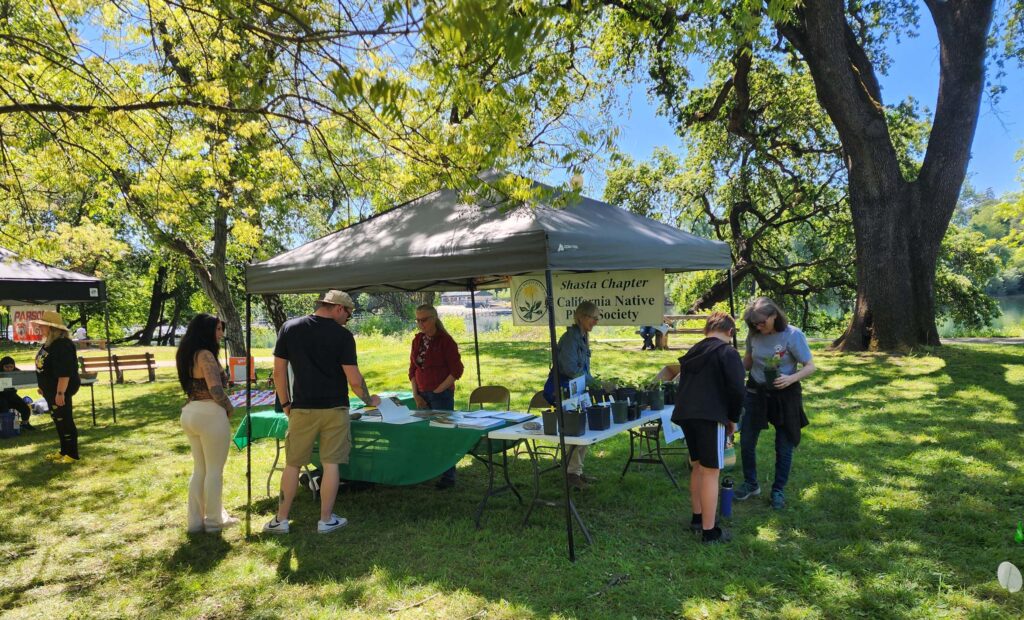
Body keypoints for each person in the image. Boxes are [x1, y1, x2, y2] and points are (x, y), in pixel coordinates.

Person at [264, 290, 380, 535]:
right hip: (335, 409)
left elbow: (278, 372)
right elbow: (354, 379)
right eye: (348, 313)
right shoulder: (343, 336)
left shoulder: (289, 328)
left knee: (293, 464)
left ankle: (281, 519)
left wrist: (285, 404)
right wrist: (370, 400)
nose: (348, 319)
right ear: (338, 308)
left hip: (301, 408)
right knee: (331, 464)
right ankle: (326, 520)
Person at [671, 312, 745, 544]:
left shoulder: (694, 351)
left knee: (697, 467)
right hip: (710, 416)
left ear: (706, 330)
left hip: (686, 414)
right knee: (711, 471)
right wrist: (732, 418)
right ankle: (710, 531)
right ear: (730, 332)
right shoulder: (727, 352)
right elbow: (737, 390)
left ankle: (697, 517)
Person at [736, 297, 816, 510]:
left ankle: (778, 490)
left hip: (785, 394)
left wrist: (790, 379)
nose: (758, 326)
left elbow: (810, 366)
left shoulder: (792, 335)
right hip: (755, 392)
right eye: (754, 324)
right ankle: (751, 484)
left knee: (784, 445)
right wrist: (729, 363)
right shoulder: (754, 335)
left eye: (762, 322)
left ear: (774, 316)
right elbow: (748, 362)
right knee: (746, 441)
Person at [176, 313, 237, 534]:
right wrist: (229, 406)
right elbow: (215, 389)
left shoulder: (187, 354)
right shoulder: (206, 355)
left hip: (190, 413)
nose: (221, 334)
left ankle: (195, 522)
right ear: (207, 331)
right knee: (213, 471)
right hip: (209, 414)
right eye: (218, 329)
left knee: (200, 469)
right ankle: (213, 522)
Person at [409, 304, 464, 489]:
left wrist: (440, 390)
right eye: (417, 320)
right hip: (422, 395)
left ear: (434, 319)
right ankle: (428, 472)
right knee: (425, 436)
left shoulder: (446, 341)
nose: (420, 324)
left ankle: (448, 477)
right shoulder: (417, 341)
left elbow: (457, 370)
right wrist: (416, 394)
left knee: (443, 436)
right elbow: (412, 370)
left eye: (423, 320)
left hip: (440, 396)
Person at [556, 301, 600, 490]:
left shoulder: (582, 338)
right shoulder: (569, 340)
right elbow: (570, 369)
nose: (596, 322)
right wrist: (592, 382)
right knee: (574, 432)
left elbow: (583, 370)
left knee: (584, 430)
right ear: (582, 317)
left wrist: (596, 383)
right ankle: (571, 474)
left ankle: (577, 471)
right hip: (568, 391)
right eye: (594, 318)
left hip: (580, 391)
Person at [31, 311, 81, 463]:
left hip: (61, 389)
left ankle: (72, 454)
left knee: (65, 419)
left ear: (52, 328)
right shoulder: (50, 343)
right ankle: (64, 451)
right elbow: (44, 367)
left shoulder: (62, 346)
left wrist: (60, 393)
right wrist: (43, 387)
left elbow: (64, 373)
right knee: (58, 419)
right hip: (51, 389)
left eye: (42, 325)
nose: (39, 327)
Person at [1, 356, 35, 431]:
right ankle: (5, 427)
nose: (9, 369)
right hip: (1, 396)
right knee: (4, 408)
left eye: (11, 367)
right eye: (6, 367)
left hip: (12, 395)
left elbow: (24, 379)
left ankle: (25, 424)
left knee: (25, 408)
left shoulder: (17, 372)